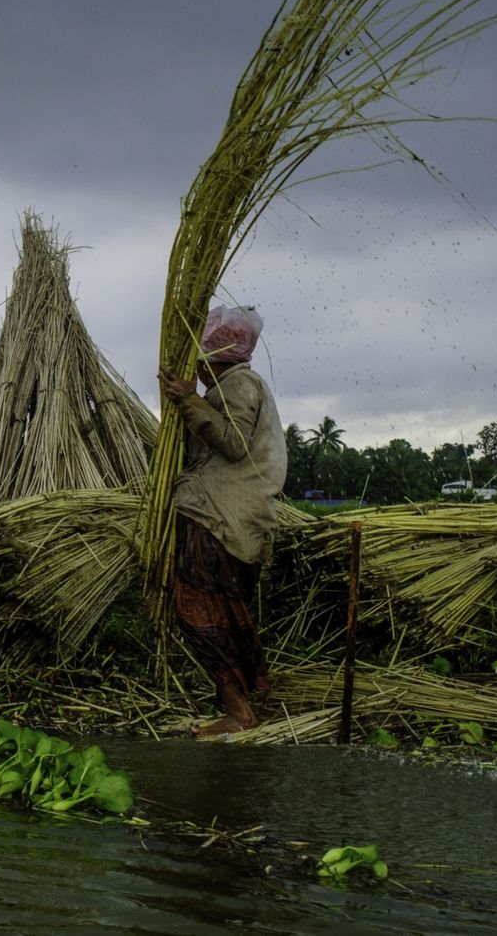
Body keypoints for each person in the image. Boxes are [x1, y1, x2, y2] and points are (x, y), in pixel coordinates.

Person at [157, 305, 287, 736]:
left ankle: (239, 712)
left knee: (200, 610)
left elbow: (232, 443)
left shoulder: (240, 385)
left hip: (222, 521)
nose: (198, 367)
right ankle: (240, 703)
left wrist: (187, 399)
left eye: (202, 360)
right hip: (226, 519)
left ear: (217, 359)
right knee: (223, 612)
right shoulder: (233, 386)